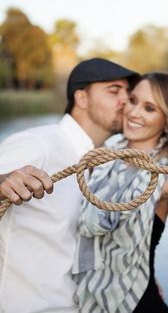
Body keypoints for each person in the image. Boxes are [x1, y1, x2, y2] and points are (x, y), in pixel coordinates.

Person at [72, 72, 168, 312]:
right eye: (133, 101)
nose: (134, 113)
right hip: (89, 300)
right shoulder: (101, 159)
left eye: (149, 108)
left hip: (139, 304)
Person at [0, 58, 139, 313]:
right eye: (114, 91)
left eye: (129, 94)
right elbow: (3, 183)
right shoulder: (38, 144)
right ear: (82, 98)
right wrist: (2, 182)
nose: (125, 101)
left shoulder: (111, 162)